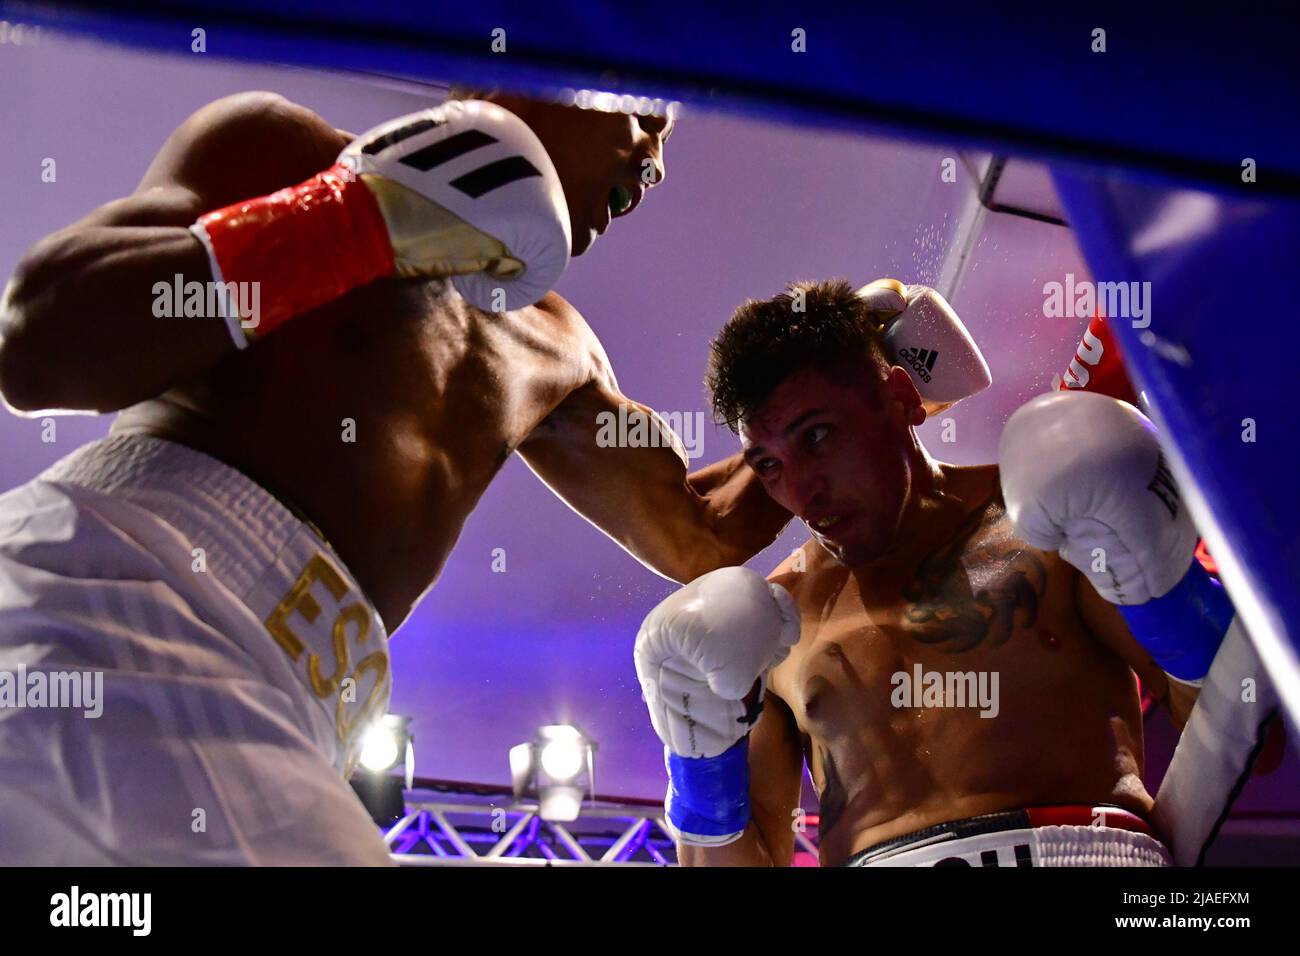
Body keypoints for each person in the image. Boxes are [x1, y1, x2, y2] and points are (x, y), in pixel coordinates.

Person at [0, 89, 793, 864]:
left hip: (298, 706)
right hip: (112, 591)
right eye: (643, 116)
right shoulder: (287, 151)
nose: (652, 160)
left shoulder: (559, 349)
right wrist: (355, 220)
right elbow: (36, 344)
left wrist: (854, 387)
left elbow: (700, 535)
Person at [635, 278, 1212, 867]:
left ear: (903, 399)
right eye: (768, 464)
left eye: (817, 436)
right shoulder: (772, 626)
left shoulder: (1044, 523)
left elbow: (1246, 738)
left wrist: (1173, 598)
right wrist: (699, 764)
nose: (803, 491)